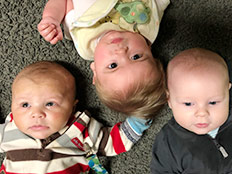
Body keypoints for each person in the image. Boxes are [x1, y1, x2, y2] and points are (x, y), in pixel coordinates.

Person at [0, 61, 152, 174]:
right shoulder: (8, 131)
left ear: (72, 108)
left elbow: (114, 141)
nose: (36, 113)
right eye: (25, 105)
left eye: (50, 103)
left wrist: (141, 116)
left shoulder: (80, 129)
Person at [37, 0, 170, 119]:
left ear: (95, 70)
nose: (121, 52)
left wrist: (51, 19)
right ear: (149, 49)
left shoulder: (85, 42)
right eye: (136, 57)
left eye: (113, 65)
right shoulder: (147, 26)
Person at [151, 48, 232, 173]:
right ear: (169, 100)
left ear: (227, 91)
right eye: (188, 104)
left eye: (213, 102)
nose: (202, 113)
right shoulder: (168, 142)